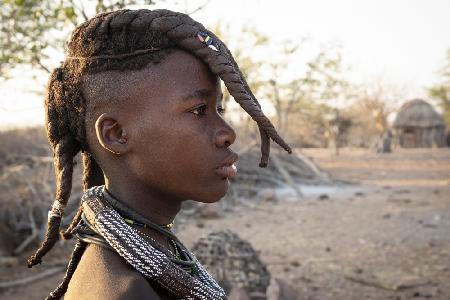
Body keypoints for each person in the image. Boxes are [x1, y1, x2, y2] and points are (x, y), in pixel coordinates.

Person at [27, 8, 291, 299]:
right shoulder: (124, 292)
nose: (228, 133)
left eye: (219, 109)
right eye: (198, 110)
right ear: (115, 135)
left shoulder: (152, 253)